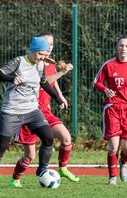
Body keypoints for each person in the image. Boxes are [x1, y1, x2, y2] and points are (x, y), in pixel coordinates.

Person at [0, 36, 65, 188]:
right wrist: (11, 78)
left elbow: (43, 82)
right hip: (11, 112)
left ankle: (42, 169)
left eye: (45, 55)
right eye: (40, 54)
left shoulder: (40, 65)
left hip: (32, 111)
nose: (42, 58)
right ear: (32, 50)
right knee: (1, 147)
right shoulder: (18, 62)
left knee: (48, 137)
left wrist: (57, 99)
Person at [9, 31, 79, 188]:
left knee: (66, 138)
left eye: (52, 44)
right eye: (46, 44)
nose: (49, 47)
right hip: (28, 110)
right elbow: (44, 81)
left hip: (45, 111)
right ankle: (15, 180)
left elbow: (52, 84)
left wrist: (60, 96)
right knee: (30, 155)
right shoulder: (32, 63)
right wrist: (62, 72)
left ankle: (62, 168)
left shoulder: (51, 63)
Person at [93, 35, 127, 186]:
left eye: (126, 46)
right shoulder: (109, 65)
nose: (123, 48)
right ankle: (112, 178)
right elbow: (96, 82)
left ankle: (123, 162)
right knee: (113, 146)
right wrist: (105, 89)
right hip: (113, 108)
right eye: (121, 45)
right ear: (117, 47)